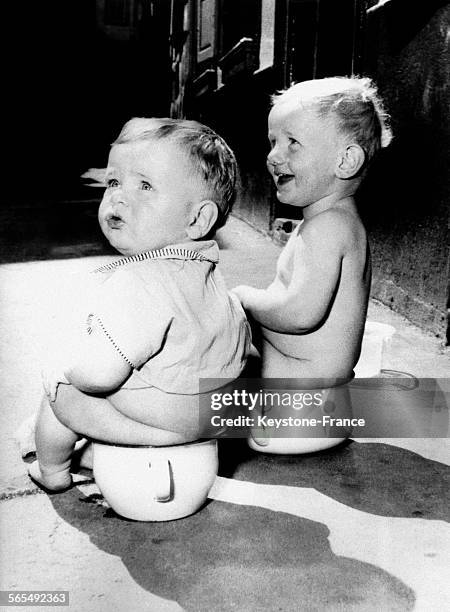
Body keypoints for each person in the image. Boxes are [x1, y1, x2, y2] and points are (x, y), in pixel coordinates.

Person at [28, 117, 251, 492]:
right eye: (114, 181)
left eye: (145, 185)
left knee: (58, 388)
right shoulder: (209, 274)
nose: (118, 196)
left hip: (171, 419)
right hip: (217, 411)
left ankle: (52, 469)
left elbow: (99, 376)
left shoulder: (140, 279)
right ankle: (123, 442)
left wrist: (68, 362)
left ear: (198, 218)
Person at [233, 76, 392, 385]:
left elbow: (300, 315)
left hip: (305, 397)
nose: (274, 156)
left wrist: (245, 298)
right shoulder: (329, 220)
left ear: (345, 161)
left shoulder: (328, 227)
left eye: (293, 143)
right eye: (273, 142)